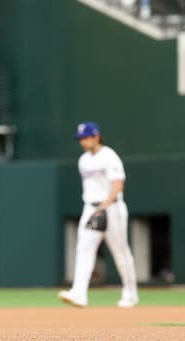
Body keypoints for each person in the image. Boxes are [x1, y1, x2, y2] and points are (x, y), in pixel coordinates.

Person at [59, 122, 139, 309]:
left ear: (96, 136)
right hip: (90, 207)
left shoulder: (109, 156)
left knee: (120, 252)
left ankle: (130, 293)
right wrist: (95, 208)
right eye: (81, 139)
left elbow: (118, 185)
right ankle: (79, 293)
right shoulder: (83, 160)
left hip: (112, 207)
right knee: (84, 249)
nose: (83, 142)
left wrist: (103, 207)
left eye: (86, 138)